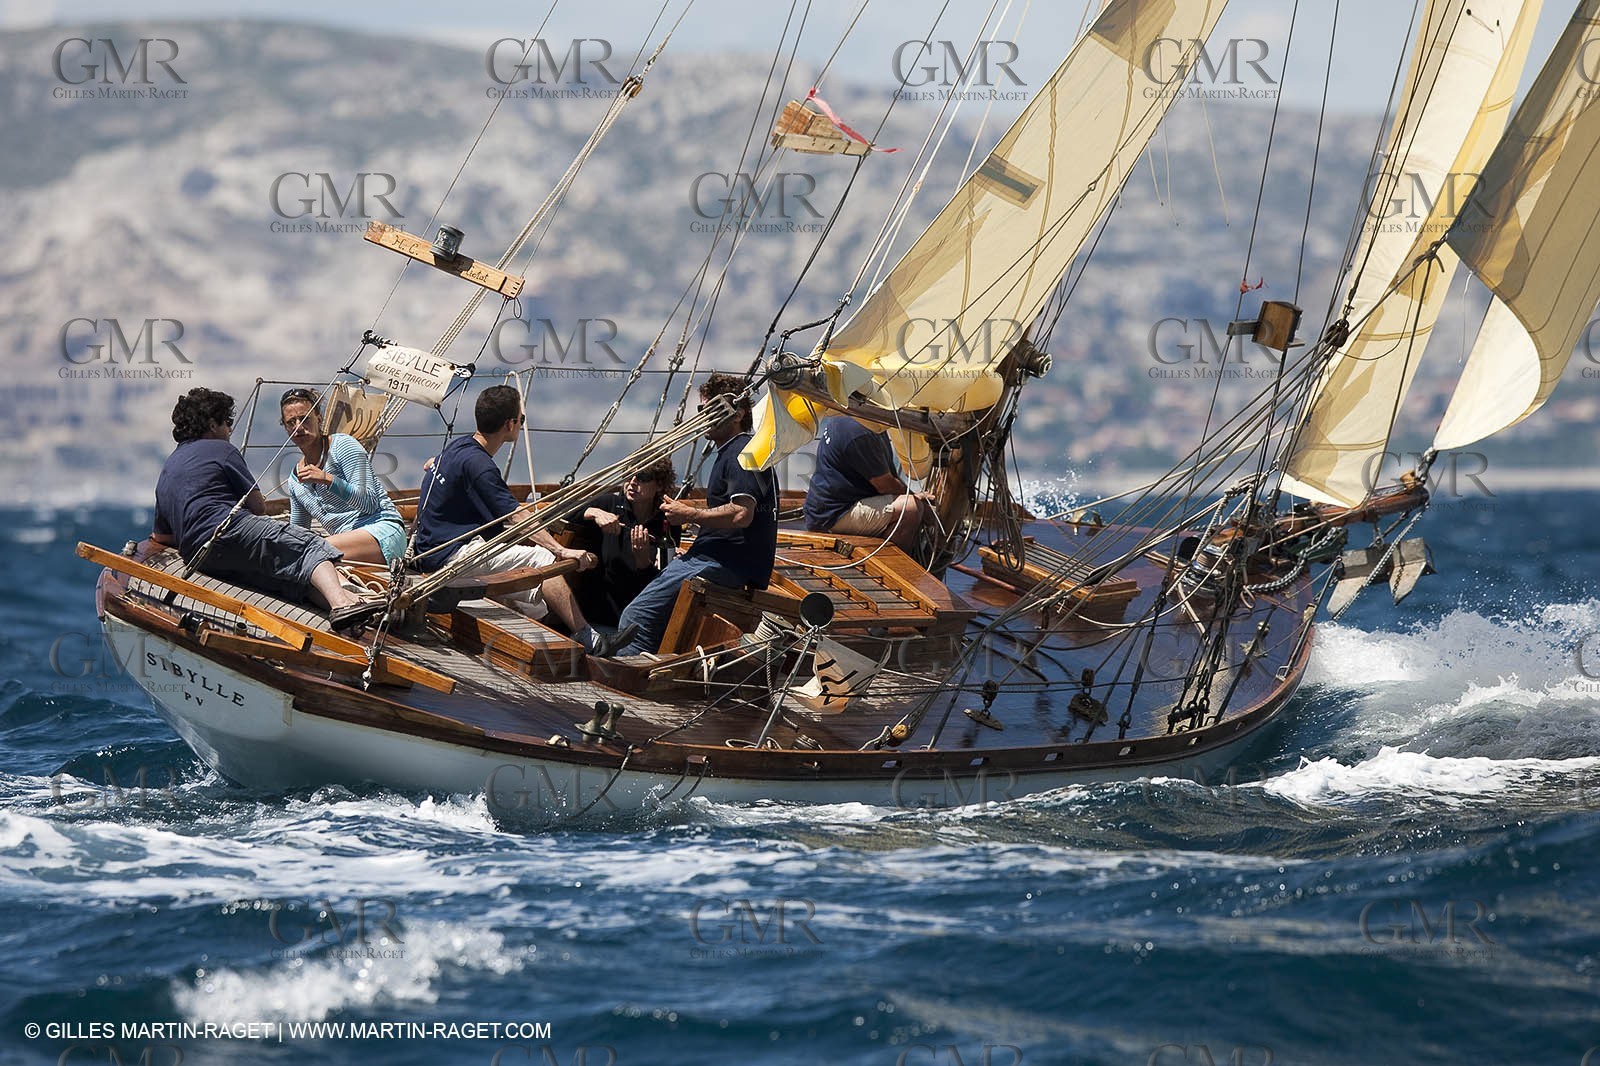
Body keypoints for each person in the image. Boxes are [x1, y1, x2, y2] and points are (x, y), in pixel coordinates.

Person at [150, 387, 378, 628]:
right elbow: (257, 506)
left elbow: (161, 536)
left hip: (199, 555)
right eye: (227, 422)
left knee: (290, 579)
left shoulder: (168, 467)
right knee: (309, 545)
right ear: (212, 424)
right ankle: (342, 603)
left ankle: (360, 607)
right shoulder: (222, 449)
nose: (230, 430)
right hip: (230, 530)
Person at [601, 373, 778, 658]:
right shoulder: (740, 450)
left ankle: (627, 673)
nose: (704, 416)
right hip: (720, 558)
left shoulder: (741, 452)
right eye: (702, 410)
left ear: (739, 413)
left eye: (711, 409)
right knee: (641, 613)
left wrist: (689, 514)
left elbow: (742, 515)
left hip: (725, 562)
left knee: (636, 617)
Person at [411, 385, 601, 643]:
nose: (521, 425)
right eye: (521, 420)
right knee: (543, 560)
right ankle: (588, 638)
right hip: (451, 558)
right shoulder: (482, 467)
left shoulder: (458, 448)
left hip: (428, 550)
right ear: (510, 424)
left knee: (535, 604)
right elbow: (516, 518)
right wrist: (561, 550)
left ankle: (515, 640)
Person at [279, 387, 407, 566]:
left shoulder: (343, 445)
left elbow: (369, 503)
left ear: (319, 418)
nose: (298, 427)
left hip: (380, 531)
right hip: (341, 546)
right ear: (285, 428)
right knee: (298, 556)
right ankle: (346, 590)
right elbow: (299, 532)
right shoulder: (295, 481)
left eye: (305, 419)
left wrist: (327, 479)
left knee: (314, 551)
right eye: (291, 422)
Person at [565, 457, 678, 628]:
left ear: (659, 485)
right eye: (629, 475)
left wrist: (643, 562)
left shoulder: (667, 521)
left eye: (642, 477)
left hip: (641, 618)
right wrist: (594, 512)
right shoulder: (610, 504)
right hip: (601, 615)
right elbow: (558, 513)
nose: (632, 482)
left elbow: (660, 586)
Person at [803, 414, 927, 552]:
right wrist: (918, 499)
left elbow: (887, 475)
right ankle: (892, 561)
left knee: (914, 503)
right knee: (911, 508)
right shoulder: (860, 433)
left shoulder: (861, 420)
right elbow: (885, 485)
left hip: (825, 508)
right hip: (833, 516)